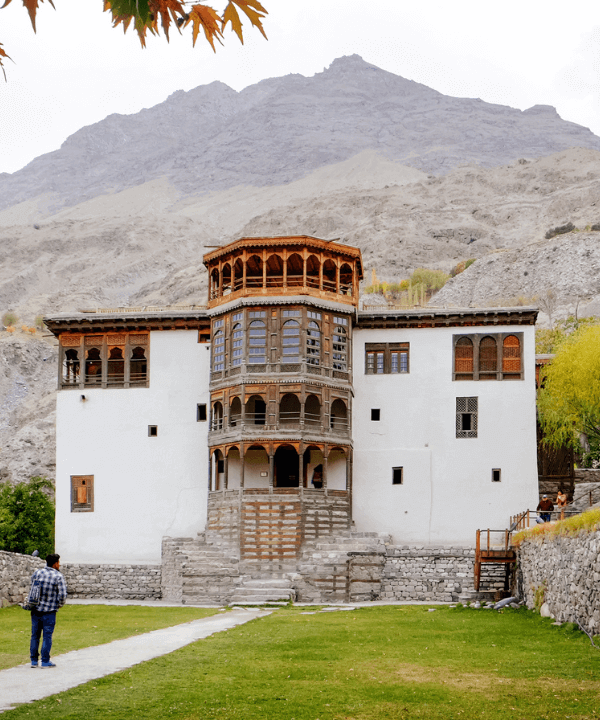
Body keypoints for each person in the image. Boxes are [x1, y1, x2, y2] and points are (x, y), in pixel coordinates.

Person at [29, 553, 67, 668]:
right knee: (47, 636)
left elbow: (32, 588)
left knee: (35, 635)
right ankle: (45, 661)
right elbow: (62, 595)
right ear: (55, 564)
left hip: (35, 610)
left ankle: (34, 661)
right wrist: (60, 604)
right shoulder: (58, 576)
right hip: (49, 611)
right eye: (58, 563)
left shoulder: (37, 573)